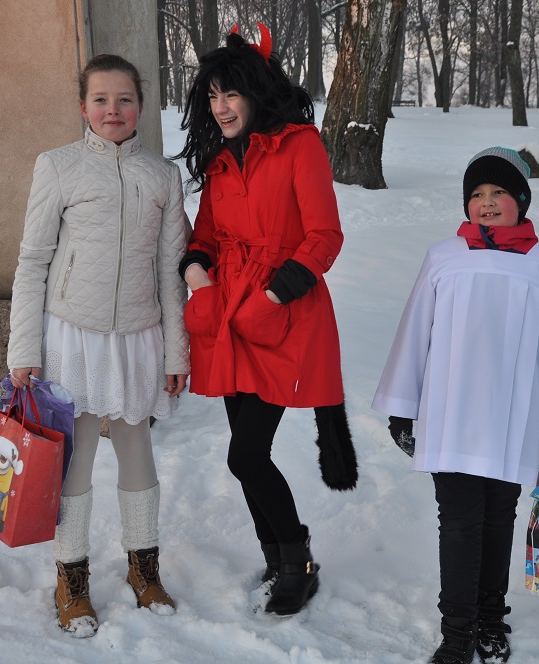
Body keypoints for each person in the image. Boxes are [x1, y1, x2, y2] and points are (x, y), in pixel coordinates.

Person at [372, 147, 539, 664]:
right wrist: (403, 406)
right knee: (458, 523)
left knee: (498, 520)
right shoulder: (444, 257)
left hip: (513, 421)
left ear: (522, 199)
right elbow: (415, 331)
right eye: (476, 194)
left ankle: (491, 619)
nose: (487, 202)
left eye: (498, 193)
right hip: (449, 416)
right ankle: (457, 633)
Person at [7, 54, 190, 637]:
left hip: (139, 335)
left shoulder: (162, 176)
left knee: (137, 448)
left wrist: (177, 352)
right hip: (72, 336)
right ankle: (72, 577)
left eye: (125, 99)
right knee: (77, 454)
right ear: (83, 106)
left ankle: (144, 567)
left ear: (142, 105)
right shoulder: (57, 167)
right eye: (101, 100)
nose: (114, 110)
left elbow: (172, 273)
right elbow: (33, 262)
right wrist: (23, 349)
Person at [176, 24, 356, 617]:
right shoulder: (220, 162)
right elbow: (205, 236)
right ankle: (278, 558)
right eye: (212, 96)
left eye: (231, 93)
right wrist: (198, 275)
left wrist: (274, 296)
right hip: (228, 317)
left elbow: (324, 236)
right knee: (244, 452)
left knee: (246, 455)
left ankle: (299, 561)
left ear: (257, 92)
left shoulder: (300, 145)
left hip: (282, 317)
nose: (220, 107)